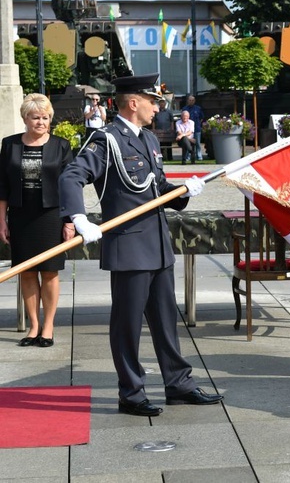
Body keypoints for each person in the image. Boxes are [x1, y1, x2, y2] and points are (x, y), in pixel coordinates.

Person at [59, 73, 223, 416]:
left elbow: (156, 186)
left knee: (166, 321)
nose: (158, 107)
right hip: (129, 249)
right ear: (133, 103)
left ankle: (178, 384)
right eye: (153, 101)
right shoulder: (105, 140)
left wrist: (183, 192)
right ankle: (131, 393)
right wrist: (78, 217)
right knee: (127, 326)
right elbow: (71, 177)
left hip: (158, 245)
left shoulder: (148, 138)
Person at [0, 93, 74, 347]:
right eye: (35, 117)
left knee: (50, 271)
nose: (40, 122)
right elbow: (2, 187)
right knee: (27, 271)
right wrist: (2, 220)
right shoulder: (9, 144)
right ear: (25, 118)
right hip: (20, 216)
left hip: (52, 215)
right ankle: (33, 326)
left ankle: (49, 326)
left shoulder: (61, 145)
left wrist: (70, 221)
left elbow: (70, 186)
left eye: (45, 117)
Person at [181, 95, 204, 161]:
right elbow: (182, 118)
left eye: (192, 100)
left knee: (198, 143)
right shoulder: (185, 109)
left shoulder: (198, 108)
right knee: (188, 143)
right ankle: (187, 157)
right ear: (188, 101)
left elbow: (201, 117)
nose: (191, 101)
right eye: (190, 100)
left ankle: (199, 156)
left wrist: (198, 123)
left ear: (194, 101)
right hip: (188, 130)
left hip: (196, 128)